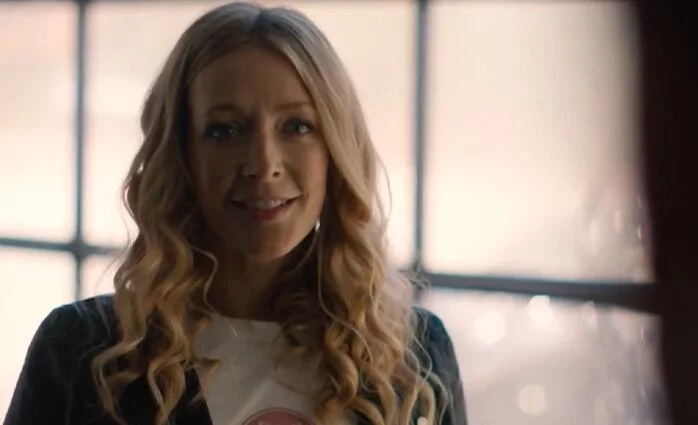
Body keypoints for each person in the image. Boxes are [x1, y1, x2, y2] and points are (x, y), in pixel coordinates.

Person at [3, 2, 466, 425]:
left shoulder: (414, 356)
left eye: (297, 126)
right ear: (182, 156)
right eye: (225, 130)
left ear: (336, 151)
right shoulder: (81, 353)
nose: (263, 164)